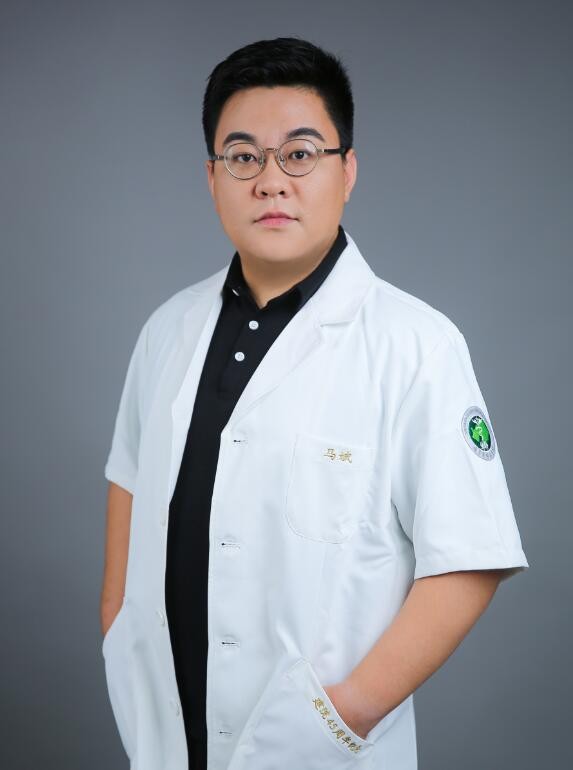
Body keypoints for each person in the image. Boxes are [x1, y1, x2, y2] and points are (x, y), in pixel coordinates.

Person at [100, 36, 529, 770]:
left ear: (346, 170)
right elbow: (129, 491)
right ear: (212, 177)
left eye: (299, 154)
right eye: (243, 157)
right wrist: (117, 634)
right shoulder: (166, 330)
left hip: (322, 749)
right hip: (168, 741)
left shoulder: (416, 345)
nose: (271, 181)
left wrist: (341, 717)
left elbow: (468, 561)